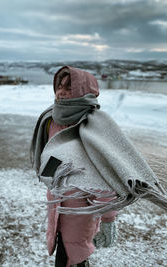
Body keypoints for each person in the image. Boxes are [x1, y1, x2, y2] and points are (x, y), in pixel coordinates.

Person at [30, 66, 167, 267]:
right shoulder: (51, 118)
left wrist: (109, 219)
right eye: (60, 85)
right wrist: (50, 179)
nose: (62, 91)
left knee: (73, 255)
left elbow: (107, 176)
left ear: (84, 90)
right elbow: (50, 153)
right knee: (62, 248)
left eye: (70, 87)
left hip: (83, 206)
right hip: (57, 199)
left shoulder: (95, 124)